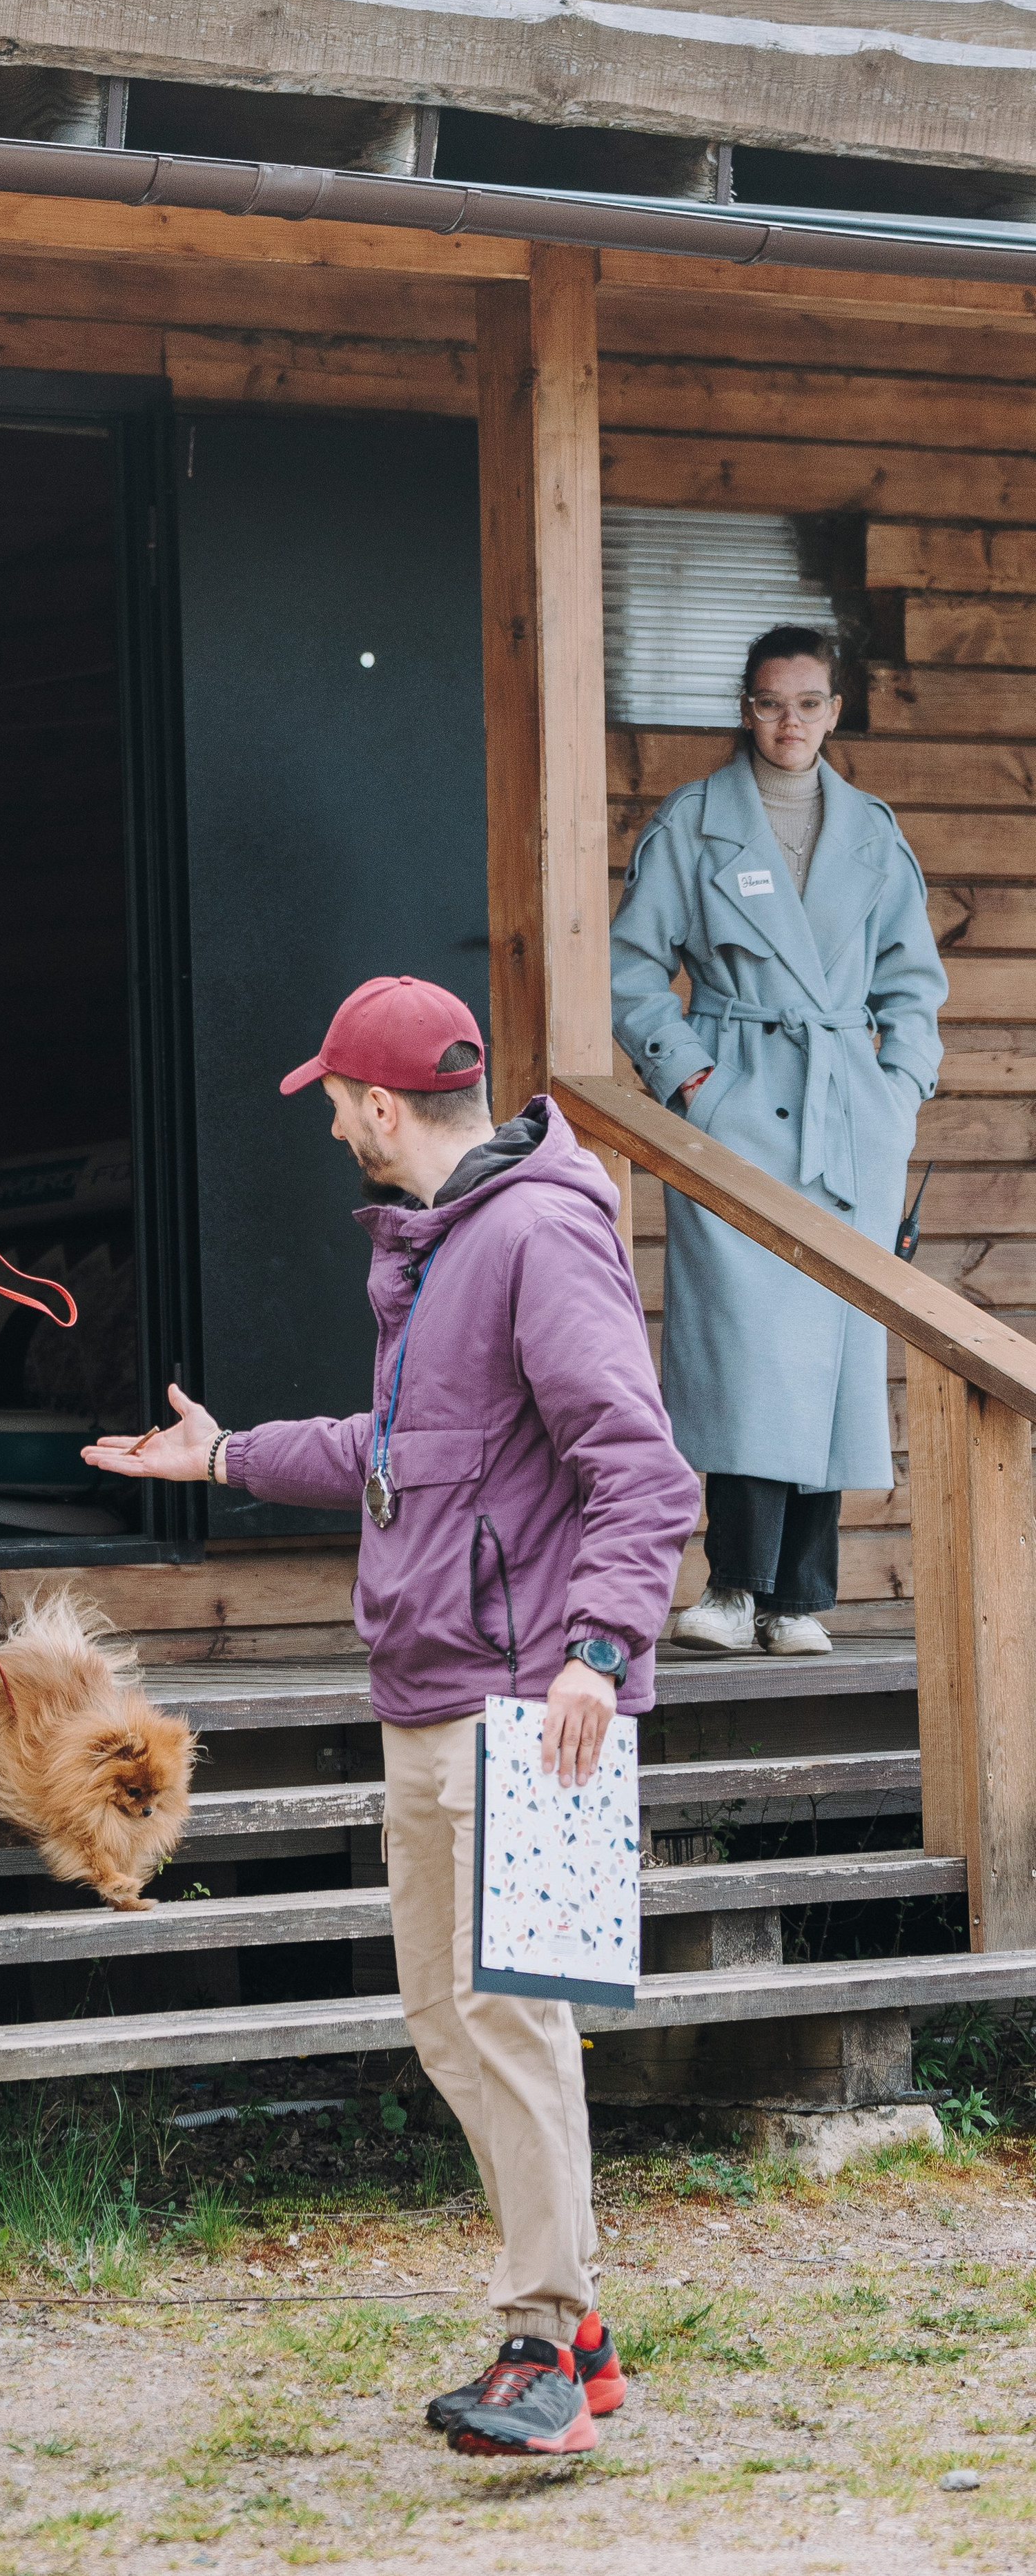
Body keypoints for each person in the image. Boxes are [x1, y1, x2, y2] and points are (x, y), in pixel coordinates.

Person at [84, 975, 699, 2459]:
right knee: (444, 2013)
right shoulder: (439, 1246)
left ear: (373, 1104)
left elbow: (640, 1466)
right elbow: (398, 1449)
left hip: (532, 1697)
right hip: (425, 1684)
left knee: (514, 2015)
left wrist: (594, 1653)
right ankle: (581, 2329)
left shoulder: (537, 1232)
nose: (334, 1125)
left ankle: (544, 2341)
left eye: (336, 1102)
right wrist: (226, 1453)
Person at [610, 625, 947, 1658]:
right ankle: (733, 1586)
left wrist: (899, 1089)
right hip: (741, 1106)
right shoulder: (696, 823)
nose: (788, 722)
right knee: (744, 1343)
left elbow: (914, 987)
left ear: (835, 710)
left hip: (850, 1111)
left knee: (839, 1348)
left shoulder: (873, 835)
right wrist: (694, 1082)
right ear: (743, 707)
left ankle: (801, 1596)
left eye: (808, 702)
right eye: (769, 702)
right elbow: (631, 972)